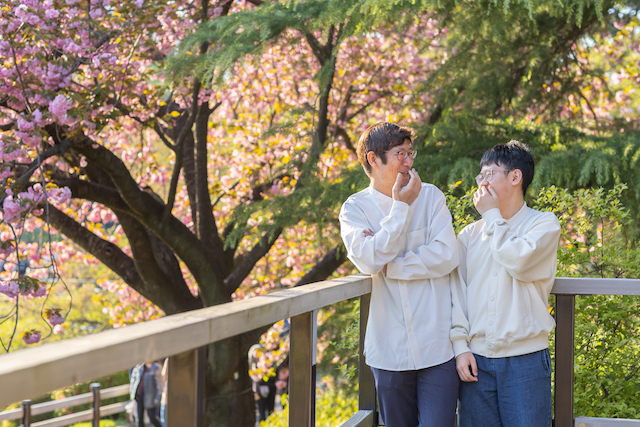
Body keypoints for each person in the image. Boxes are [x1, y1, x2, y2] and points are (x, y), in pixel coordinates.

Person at [339, 122, 460, 427]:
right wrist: (401, 209)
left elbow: (447, 255)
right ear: (372, 159)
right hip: (389, 351)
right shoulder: (355, 209)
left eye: (410, 152)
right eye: (399, 154)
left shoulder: (431, 197)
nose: (409, 161)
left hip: (437, 345)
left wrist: (391, 265)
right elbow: (368, 261)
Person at [450, 140, 561, 427]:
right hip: (476, 361)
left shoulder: (544, 225)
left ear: (515, 177)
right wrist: (460, 346)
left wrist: (490, 215)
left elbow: (520, 263)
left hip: (525, 360)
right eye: (481, 176)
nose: (482, 183)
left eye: (490, 174)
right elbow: (455, 293)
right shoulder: (469, 235)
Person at [129, 360, 163, 427]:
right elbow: (134, 380)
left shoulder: (155, 367)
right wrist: (133, 394)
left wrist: (157, 397)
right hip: (139, 395)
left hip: (150, 397)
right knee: (139, 418)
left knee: (152, 418)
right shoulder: (140, 366)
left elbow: (159, 384)